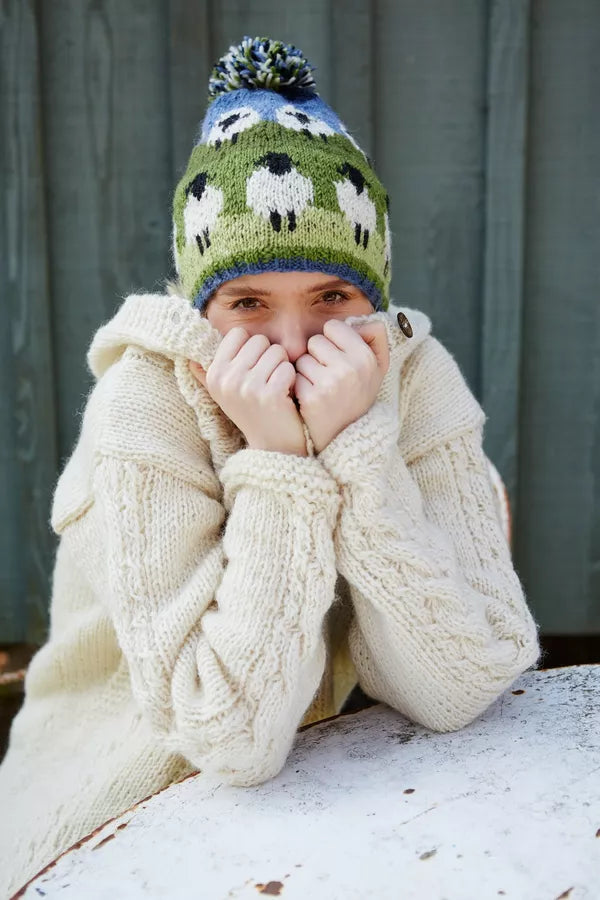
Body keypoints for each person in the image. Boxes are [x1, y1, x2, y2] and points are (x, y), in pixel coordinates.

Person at [0, 36, 540, 896]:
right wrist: (284, 466)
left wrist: (358, 448)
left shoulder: (410, 375)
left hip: (327, 799)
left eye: (332, 296)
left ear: (377, 291)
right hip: (114, 824)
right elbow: (229, 735)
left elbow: (460, 683)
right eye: (249, 304)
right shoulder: (144, 408)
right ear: (201, 299)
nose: (293, 347)